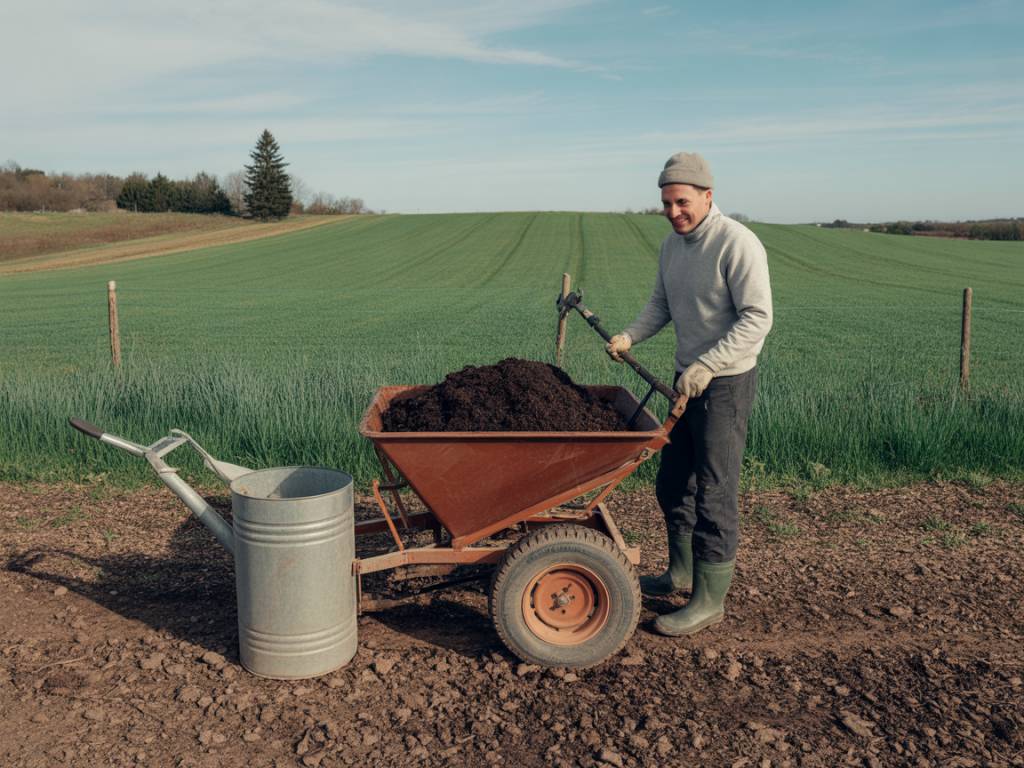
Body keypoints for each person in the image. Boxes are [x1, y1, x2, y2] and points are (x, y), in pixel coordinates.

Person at [606, 152, 772, 636]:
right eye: (666, 203)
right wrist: (631, 335)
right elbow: (661, 304)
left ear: (707, 196)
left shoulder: (736, 243)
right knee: (673, 483)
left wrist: (709, 365)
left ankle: (708, 600)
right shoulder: (672, 247)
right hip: (687, 381)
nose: (673, 211)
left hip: (726, 384)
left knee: (714, 493)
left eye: (682, 202)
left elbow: (758, 318)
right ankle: (679, 573)